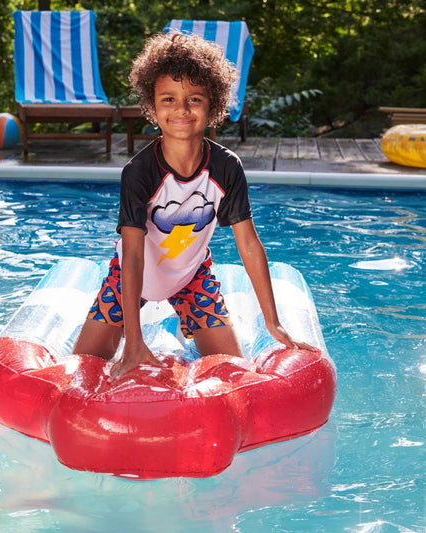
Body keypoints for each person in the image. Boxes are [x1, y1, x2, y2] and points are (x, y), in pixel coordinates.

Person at [73, 31, 315, 378]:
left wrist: (273, 323)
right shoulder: (139, 172)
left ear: (212, 105)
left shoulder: (226, 167)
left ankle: (184, 329)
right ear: (152, 107)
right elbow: (135, 254)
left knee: (233, 369)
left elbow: (248, 244)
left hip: (192, 276)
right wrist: (134, 341)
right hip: (133, 278)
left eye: (195, 99)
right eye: (168, 99)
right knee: (85, 366)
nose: (181, 110)